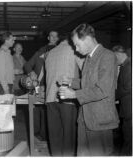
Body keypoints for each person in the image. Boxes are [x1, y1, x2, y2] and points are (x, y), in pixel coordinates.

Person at [58, 23, 119, 156]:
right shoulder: (88, 58)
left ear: (87, 39)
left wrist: (74, 94)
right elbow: (88, 84)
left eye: (77, 44)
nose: (76, 49)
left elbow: (103, 90)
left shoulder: (107, 56)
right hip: (84, 119)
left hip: (100, 121)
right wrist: (71, 81)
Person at [45, 35, 84, 156]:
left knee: (54, 134)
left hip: (50, 97)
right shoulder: (74, 50)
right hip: (67, 97)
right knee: (69, 134)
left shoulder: (50, 53)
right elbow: (87, 70)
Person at [24, 31, 59, 140]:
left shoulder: (60, 52)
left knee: (48, 110)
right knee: (36, 109)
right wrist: (31, 72)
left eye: (55, 36)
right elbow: (27, 65)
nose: (53, 37)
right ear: (48, 37)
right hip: (38, 86)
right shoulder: (40, 51)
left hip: (53, 86)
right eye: (51, 35)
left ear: (58, 38)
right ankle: (34, 133)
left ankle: (45, 135)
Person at [113, 46, 132, 156]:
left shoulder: (128, 66)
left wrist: (113, 96)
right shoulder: (126, 65)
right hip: (128, 109)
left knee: (128, 140)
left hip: (130, 110)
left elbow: (127, 87)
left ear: (118, 54)